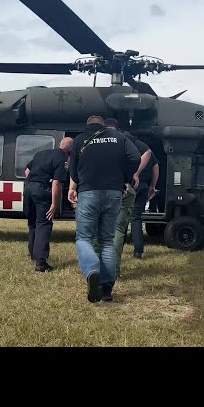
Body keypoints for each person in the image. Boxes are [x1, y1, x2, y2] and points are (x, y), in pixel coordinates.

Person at [68, 115, 140, 303]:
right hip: (113, 193)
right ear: (103, 125)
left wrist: (78, 180)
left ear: (88, 125)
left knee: (84, 238)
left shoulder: (79, 140)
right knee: (107, 241)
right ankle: (107, 289)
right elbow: (136, 157)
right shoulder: (119, 137)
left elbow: (72, 169)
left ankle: (92, 271)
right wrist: (124, 176)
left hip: (88, 191)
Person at [103, 118, 152, 279]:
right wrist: (135, 174)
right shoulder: (125, 138)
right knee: (120, 228)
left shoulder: (95, 139)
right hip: (124, 188)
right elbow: (148, 152)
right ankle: (114, 270)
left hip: (100, 188)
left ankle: (97, 269)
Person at [24, 136, 73, 272]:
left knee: (33, 223)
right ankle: (41, 262)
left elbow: (27, 171)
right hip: (42, 190)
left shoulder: (41, 153)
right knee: (44, 223)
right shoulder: (61, 159)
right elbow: (56, 183)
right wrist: (54, 204)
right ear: (70, 151)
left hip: (28, 188)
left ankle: (33, 253)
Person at [128, 134, 159, 260]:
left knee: (120, 217)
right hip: (143, 187)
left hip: (129, 185)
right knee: (136, 218)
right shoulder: (144, 148)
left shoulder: (124, 146)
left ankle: (116, 247)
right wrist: (152, 185)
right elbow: (156, 167)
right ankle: (138, 251)